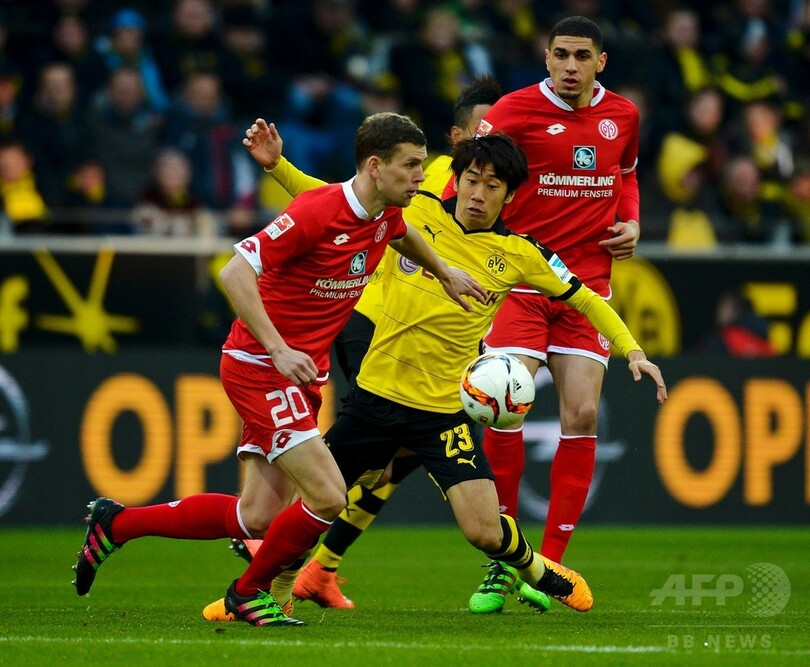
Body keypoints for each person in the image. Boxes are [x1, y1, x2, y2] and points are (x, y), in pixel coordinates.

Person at [202, 124, 666, 623]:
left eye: (492, 186)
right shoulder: (413, 211)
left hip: (442, 412)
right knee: (309, 506)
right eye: (472, 180)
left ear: (510, 195)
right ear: (457, 180)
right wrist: (277, 167)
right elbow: (332, 198)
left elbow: (587, 299)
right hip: (374, 398)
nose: (478, 194)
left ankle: (534, 568)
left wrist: (632, 350)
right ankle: (265, 590)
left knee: (484, 529)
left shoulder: (523, 254)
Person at [71, 111, 487, 627]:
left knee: (256, 516)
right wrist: (278, 348)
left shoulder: (386, 213)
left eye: (422, 164)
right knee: (330, 497)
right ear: (376, 167)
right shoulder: (319, 210)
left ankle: (116, 525)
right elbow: (234, 272)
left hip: (298, 375)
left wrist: (445, 272)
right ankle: (247, 593)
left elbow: (403, 235)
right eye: (411, 165)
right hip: (261, 367)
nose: (421, 176)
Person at [468, 15, 647, 613]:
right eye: (561, 55)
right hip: (520, 281)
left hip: (587, 284)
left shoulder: (623, 115)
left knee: (584, 413)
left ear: (601, 62)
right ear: (546, 58)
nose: (571, 66)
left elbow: (627, 177)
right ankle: (505, 560)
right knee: (507, 404)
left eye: (582, 56)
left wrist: (631, 222)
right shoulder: (514, 111)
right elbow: (467, 182)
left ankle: (551, 567)